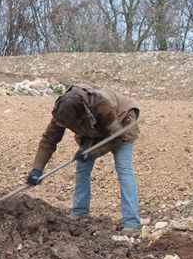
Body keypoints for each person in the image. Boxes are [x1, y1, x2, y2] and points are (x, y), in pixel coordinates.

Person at [25, 83, 141, 234]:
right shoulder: (62, 112)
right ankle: (80, 212)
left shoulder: (102, 108)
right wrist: (37, 170)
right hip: (92, 130)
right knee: (82, 167)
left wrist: (92, 153)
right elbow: (49, 140)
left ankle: (131, 221)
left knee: (124, 169)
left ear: (79, 118)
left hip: (120, 123)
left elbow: (116, 138)